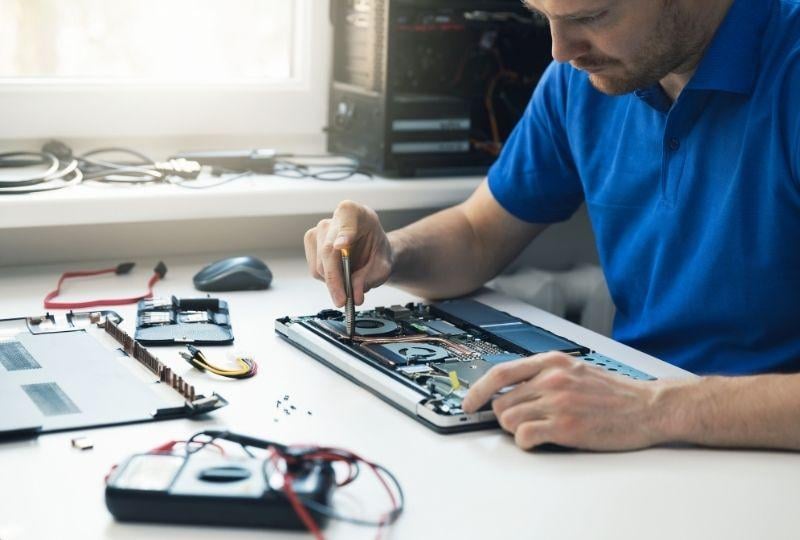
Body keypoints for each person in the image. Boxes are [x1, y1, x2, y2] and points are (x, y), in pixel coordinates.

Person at [304, 0, 800, 451]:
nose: (561, 51)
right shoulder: (587, 79)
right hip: (645, 431)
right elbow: (478, 235)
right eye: (543, 16)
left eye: (592, 17)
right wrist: (390, 251)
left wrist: (653, 407)